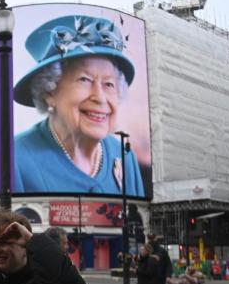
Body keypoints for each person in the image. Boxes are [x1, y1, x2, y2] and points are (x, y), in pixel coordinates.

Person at [13, 14, 145, 196]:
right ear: (49, 92)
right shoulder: (15, 160)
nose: (100, 98)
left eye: (109, 84)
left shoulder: (123, 155)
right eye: (84, 79)